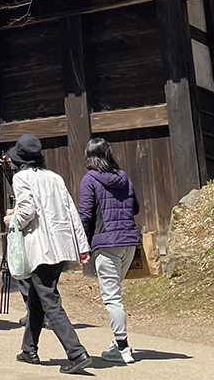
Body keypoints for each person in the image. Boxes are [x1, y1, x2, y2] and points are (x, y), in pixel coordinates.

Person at [4, 134, 94, 375]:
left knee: (50, 301)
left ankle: (77, 353)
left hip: (39, 247)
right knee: (37, 298)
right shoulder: (55, 178)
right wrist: (82, 245)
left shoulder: (21, 178)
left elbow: (27, 210)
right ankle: (28, 349)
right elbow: (71, 210)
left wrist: (11, 219)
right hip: (60, 246)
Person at [78, 137, 142, 365]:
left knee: (112, 298)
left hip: (106, 243)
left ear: (89, 156)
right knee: (116, 294)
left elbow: (85, 214)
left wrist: (81, 244)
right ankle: (119, 343)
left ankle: (122, 347)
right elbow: (135, 207)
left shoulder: (89, 180)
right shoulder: (124, 178)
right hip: (129, 242)